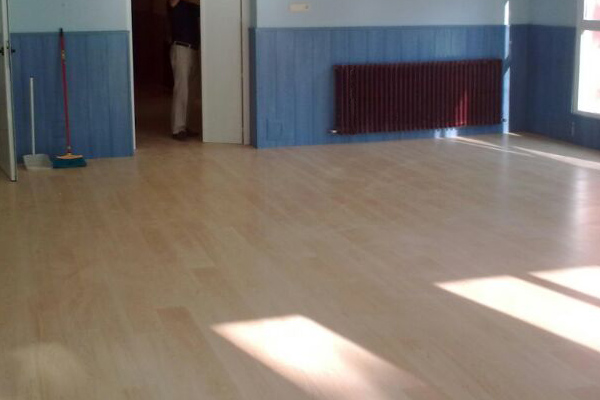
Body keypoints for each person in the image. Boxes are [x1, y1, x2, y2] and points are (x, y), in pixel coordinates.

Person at [168, 0, 200, 141]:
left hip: (193, 49)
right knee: (182, 89)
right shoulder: (176, 3)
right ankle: (177, 128)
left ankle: (184, 125)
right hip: (181, 47)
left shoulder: (193, 6)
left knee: (191, 90)